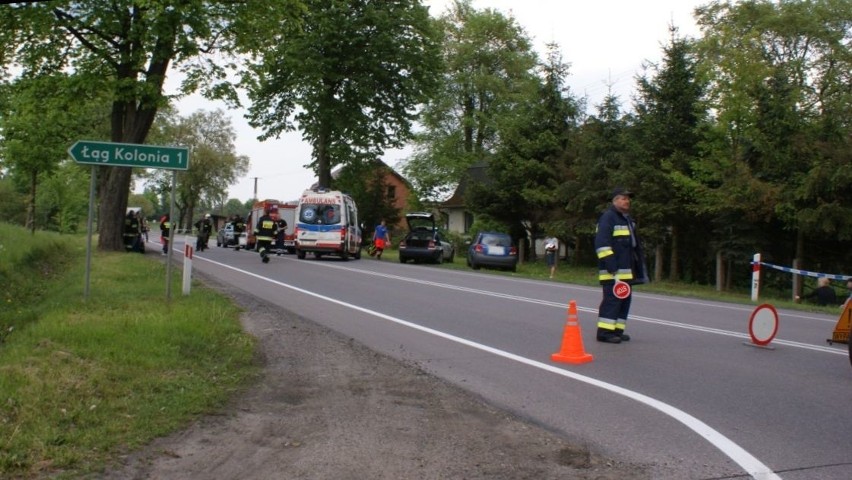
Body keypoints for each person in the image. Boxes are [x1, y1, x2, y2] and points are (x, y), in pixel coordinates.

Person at [594, 187, 648, 344]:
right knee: (612, 301)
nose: (627, 201)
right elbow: (602, 245)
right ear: (615, 200)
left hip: (627, 272)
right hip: (613, 272)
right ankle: (604, 332)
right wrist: (612, 267)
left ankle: (617, 330)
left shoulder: (627, 220)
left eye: (628, 199)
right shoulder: (608, 218)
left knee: (624, 301)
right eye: (623, 198)